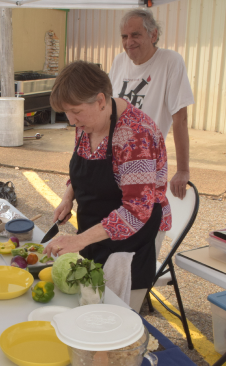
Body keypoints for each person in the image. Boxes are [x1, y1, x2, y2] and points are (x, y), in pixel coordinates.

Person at [44, 61, 171, 311]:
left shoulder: (135, 135)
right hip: (96, 231)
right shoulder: (87, 124)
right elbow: (83, 169)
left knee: (118, 318)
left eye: (75, 112)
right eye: (66, 113)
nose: (72, 121)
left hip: (135, 237)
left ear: (100, 101)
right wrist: (69, 197)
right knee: (91, 308)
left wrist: (78, 240)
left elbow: (136, 211)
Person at [109, 9, 194, 200]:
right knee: (112, 220)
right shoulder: (119, 61)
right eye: (124, 36)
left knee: (141, 219)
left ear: (153, 34)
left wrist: (182, 170)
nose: (129, 42)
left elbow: (180, 119)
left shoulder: (170, 61)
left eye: (135, 35)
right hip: (113, 161)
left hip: (145, 164)